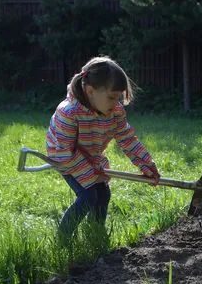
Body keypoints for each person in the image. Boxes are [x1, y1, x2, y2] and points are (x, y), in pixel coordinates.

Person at [46, 56, 160, 242]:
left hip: (91, 155)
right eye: (112, 97)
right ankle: (62, 242)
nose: (116, 103)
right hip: (64, 156)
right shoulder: (68, 113)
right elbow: (64, 152)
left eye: (119, 97)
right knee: (89, 196)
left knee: (103, 194)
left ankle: (95, 237)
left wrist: (147, 165)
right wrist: (91, 172)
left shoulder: (114, 112)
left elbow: (128, 140)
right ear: (90, 91)